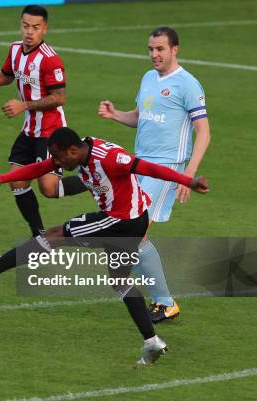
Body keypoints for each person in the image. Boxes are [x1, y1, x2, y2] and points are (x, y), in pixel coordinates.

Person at [0, 127, 209, 364]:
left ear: (71, 150)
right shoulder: (77, 153)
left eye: (59, 158)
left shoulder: (109, 157)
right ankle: (152, 341)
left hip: (121, 221)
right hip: (130, 221)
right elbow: (41, 166)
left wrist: (188, 181)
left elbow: (149, 168)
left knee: (55, 234)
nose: (57, 165)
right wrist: (2, 179)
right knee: (120, 281)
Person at [98, 26, 211, 323]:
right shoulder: (148, 78)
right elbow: (140, 117)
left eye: (160, 49)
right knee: (129, 230)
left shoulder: (188, 85)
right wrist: (115, 115)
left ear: (175, 49)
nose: (154, 55)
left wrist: (189, 173)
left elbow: (204, 132)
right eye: (150, 49)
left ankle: (164, 301)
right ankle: (162, 300)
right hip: (139, 167)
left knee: (134, 232)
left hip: (166, 169)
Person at [0, 5, 73, 238]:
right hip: (29, 130)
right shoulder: (15, 50)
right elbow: (6, 76)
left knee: (48, 188)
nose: (29, 32)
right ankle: (39, 235)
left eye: (35, 27)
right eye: (25, 26)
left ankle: (91, 180)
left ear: (44, 29)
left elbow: (60, 98)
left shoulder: (50, 60)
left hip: (51, 132)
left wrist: (24, 105)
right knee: (17, 182)